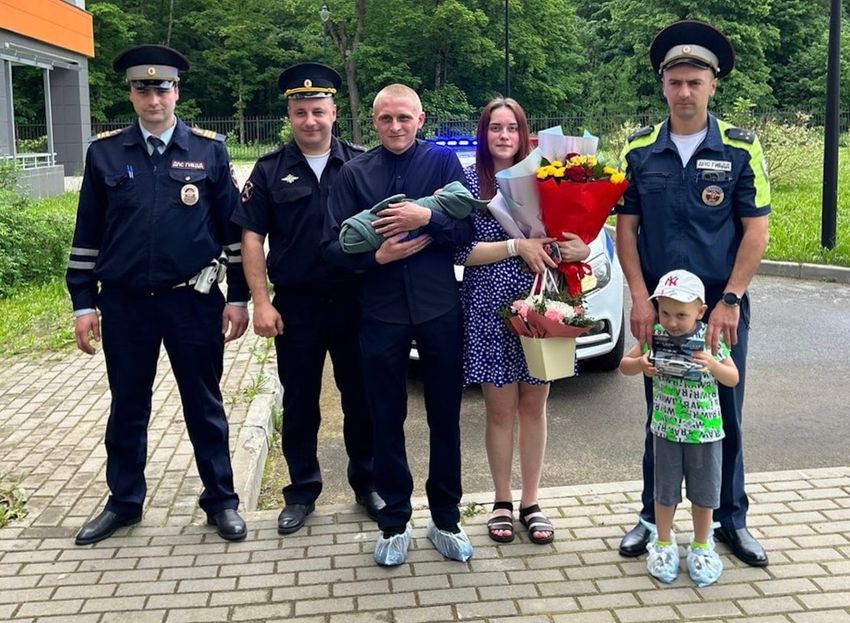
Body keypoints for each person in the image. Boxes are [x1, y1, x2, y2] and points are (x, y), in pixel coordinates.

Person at [66, 44, 250, 545]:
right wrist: (83, 302)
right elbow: (88, 232)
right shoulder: (104, 153)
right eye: (143, 88)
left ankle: (221, 502)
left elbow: (232, 231)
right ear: (131, 94)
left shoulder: (209, 150)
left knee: (204, 404)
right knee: (127, 406)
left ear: (177, 91)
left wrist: (238, 297)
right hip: (124, 304)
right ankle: (124, 503)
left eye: (162, 87)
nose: (153, 97)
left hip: (192, 301)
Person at [615, 20, 771, 567]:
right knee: (659, 410)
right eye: (675, 81)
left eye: (695, 82)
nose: (684, 91)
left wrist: (729, 300)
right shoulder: (638, 151)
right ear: (663, 84)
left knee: (722, 411)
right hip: (659, 314)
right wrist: (638, 297)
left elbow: (756, 230)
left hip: (718, 312)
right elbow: (626, 229)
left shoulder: (741, 149)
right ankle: (650, 518)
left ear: (712, 85)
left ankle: (731, 520)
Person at [321, 84, 474, 566]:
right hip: (380, 312)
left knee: (445, 416)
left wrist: (425, 213)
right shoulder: (352, 173)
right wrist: (376, 256)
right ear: (373, 121)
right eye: (386, 119)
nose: (395, 127)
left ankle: (446, 517)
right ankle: (394, 521)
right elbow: (331, 249)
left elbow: (465, 232)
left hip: (437, 307)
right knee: (384, 417)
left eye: (404, 118)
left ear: (421, 118)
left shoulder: (444, 166)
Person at [232, 62, 381, 535]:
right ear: (290, 116)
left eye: (319, 111)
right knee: (300, 402)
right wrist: (261, 300)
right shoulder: (270, 169)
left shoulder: (361, 164)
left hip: (355, 300)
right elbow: (251, 238)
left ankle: (368, 484)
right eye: (301, 112)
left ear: (334, 112)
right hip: (296, 305)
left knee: (362, 398)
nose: (310, 121)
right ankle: (301, 492)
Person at [454, 98, 589, 545]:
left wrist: (576, 249)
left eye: (512, 128)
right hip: (491, 307)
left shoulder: (547, 179)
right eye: (496, 128)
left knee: (535, 404)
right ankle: (500, 500)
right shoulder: (469, 182)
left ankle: (532, 501)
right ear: (483, 133)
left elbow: (577, 240)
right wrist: (517, 248)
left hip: (542, 305)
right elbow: (461, 252)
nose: (504, 136)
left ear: (524, 133)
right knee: (498, 409)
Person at [620, 270, 739, 586]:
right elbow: (624, 366)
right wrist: (641, 364)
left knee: (704, 493)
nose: (672, 322)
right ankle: (662, 543)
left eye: (681, 315)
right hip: (667, 430)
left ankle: (702, 546)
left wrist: (713, 364)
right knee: (665, 491)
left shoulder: (710, 339)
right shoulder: (655, 335)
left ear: (701, 311)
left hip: (705, 432)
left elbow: (733, 377)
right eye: (665, 312)